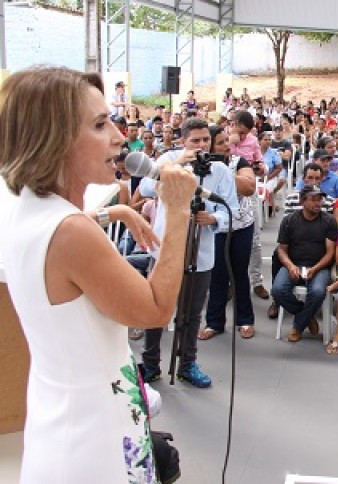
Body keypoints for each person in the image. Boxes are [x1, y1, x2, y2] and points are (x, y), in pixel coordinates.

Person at [0, 66, 198, 482]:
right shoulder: (72, 233)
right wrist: (177, 209)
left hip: (61, 417)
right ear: (53, 139)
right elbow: (156, 310)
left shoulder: (31, 212)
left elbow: (69, 232)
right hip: (96, 440)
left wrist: (118, 211)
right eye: (98, 124)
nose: (119, 137)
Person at [137, 117, 239, 388]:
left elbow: (232, 210)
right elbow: (146, 187)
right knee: (155, 307)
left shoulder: (219, 170)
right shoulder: (169, 160)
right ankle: (150, 364)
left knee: (192, 314)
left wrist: (214, 219)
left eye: (206, 139)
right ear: (183, 141)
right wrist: (179, 161)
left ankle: (187, 363)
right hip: (165, 250)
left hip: (200, 251)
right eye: (195, 140)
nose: (202, 145)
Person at [199, 125, 257, 340]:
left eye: (227, 141)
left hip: (241, 225)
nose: (227, 146)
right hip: (215, 226)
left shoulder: (237, 162)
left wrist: (221, 174)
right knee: (217, 275)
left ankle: (245, 320)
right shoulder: (200, 166)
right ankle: (214, 322)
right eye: (221, 142)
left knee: (239, 273)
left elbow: (249, 187)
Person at [272, 184, 338, 342]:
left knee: (317, 292)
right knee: (277, 290)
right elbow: (282, 250)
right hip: (294, 264)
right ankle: (307, 317)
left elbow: (330, 253)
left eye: (320, 200)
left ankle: (298, 326)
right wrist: (290, 266)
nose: (318, 203)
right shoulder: (289, 221)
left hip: (319, 266)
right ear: (303, 201)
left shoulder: (329, 221)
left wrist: (315, 269)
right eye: (313, 200)